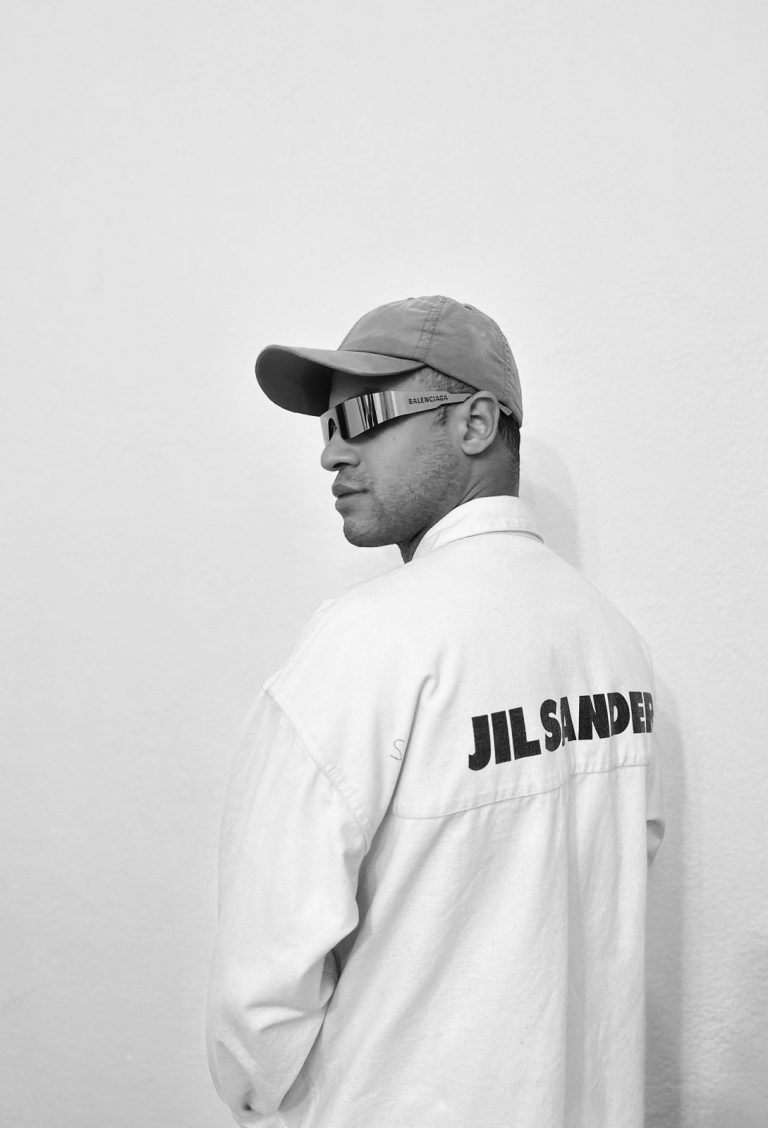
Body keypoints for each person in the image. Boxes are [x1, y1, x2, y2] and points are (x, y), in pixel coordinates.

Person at [206, 294, 665, 1128]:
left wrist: (266, 1105)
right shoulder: (615, 644)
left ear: (476, 423)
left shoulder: (366, 645)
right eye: (328, 426)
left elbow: (260, 1004)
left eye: (364, 416)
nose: (332, 452)